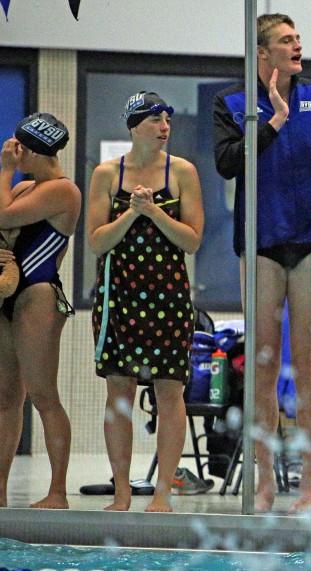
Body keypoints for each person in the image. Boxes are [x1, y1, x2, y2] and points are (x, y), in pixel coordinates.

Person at [214, 13, 311, 513]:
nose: (297, 45)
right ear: (263, 52)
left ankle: (310, 485)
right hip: (262, 244)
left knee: (309, 366)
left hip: (309, 244)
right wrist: (272, 119)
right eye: (286, 40)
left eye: (298, 38)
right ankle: (265, 481)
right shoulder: (231, 102)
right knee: (262, 368)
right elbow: (228, 163)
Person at [88, 93, 203, 512]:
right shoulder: (106, 174)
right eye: (155, 119)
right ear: (135, 126)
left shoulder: (182, 173)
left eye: (167, 119)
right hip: (118, 297)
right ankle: (121, 493)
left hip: (168, 297)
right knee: (118, 393)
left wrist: (153, 212)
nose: (164, 126)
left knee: (170, 393)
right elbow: (97, 241)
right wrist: (131, 214)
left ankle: (162, 495)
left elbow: (192, 240)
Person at [0, 114, 80, 510]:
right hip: (9, 296)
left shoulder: (65, 192)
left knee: (44, 396)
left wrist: (4, 171)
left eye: (18, 149)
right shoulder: (30, 186)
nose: (14, 155)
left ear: (30, 151)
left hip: (39, 296)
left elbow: (2, 216)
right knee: (5, 398)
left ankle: (58, 492)